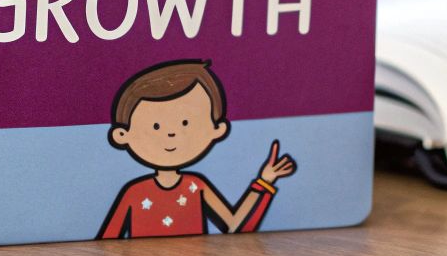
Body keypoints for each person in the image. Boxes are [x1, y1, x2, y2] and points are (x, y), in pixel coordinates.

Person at [97, 59, 297, 238]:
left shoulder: (196, 186)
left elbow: (234, 226)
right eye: (156, 126)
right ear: (122, 135)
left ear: (216, 129)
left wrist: (264, 182)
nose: (171, 134)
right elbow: (107, 242)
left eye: (185, 122)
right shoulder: (134, 192)